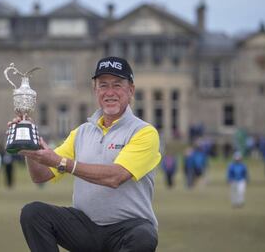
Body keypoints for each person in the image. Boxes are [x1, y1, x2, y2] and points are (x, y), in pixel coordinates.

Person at [15, 56, 161, 252]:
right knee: (33, 214)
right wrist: (30, 146)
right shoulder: (81, 132)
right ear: (95, 91)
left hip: (127, 229)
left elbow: (115, 177)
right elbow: (40, 175)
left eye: (117, 85)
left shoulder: (144, 132)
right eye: (103, 86)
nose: (110, 92)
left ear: (131, 90)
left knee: (145, 235)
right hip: (85, 228)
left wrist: (63, 162)